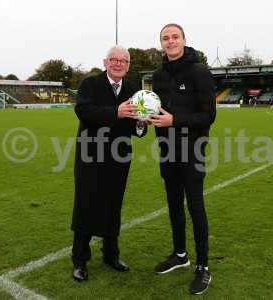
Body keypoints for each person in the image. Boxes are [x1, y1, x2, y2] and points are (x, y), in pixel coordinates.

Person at [149, 23, 216, 295]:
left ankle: (202, 267)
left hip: (193, 150)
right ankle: (180, 254)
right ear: (162, 44)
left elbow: (208, 115)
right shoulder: (158, 75)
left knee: (195, 206)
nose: (170, 41)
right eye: (165, 38)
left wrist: (175, 120)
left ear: (184, 40)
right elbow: (156, 111)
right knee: (174, 204)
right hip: (167, 150)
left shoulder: (199, 71)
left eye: (175, 37)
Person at [71, 45, 146, 282]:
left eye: (123, 61)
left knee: (114, 207)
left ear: (128, 65)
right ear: (105, 62)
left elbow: (136, 127)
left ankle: (111, 255)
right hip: (91, 156)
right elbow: (84, 112)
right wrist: (117, 112)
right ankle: (80, 261)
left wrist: (142, 123)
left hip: (119, 157)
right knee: (86, 205)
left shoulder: (134, 90)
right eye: (113, 59)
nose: (118, 63)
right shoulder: (90, 84)